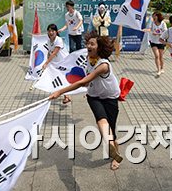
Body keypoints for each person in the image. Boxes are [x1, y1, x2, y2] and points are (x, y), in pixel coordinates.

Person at [49, 31, 123, 170]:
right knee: (101, 120)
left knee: (111, 130)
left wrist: (59, 92)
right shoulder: (89, 59)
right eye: (87, 43)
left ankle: (114, 150)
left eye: (92, 44)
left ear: (99, 47)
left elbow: (83, 81)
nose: (88, 46)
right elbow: (86, 78)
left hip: (110, 98)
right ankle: (108, 143)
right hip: (94, 97)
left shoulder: (103, 65)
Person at [42, 24, 72, 104]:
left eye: (53, 31)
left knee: (63, 78)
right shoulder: (48, 41)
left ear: (56, 31)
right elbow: (50, 52)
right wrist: (48, 62)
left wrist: (46, 63)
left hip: (64, 62)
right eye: (49, 31)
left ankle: (67, 96)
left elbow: (54, 53)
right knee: (57, 77)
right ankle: (63, 94)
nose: (51, 32)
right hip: (56, 62)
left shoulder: (59, 40)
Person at [144, 11, 167, 77]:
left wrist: (157, 33)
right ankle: (158, 69)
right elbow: (150, 29)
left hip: (161, 42)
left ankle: (162, 68)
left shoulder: (163, 23)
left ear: (158, 16)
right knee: (157, 56)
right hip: (153, 41)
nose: (153, 18)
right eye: (152, 16)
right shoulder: (152, 23)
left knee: (161, 56)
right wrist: (145, 30)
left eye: (154, 16)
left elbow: (165, 32)